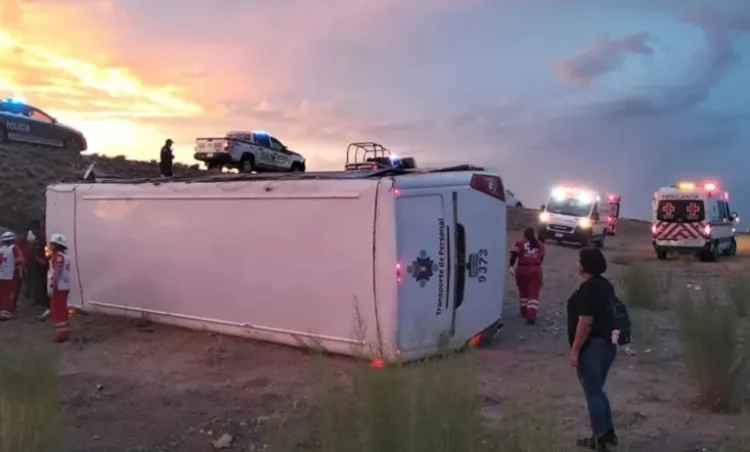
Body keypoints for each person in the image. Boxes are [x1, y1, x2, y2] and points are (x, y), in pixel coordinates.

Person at [567, 247, 618, 451]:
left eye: (579, 260)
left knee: (593, 393)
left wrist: (575, 351)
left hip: (593, 347)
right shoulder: (604, 285)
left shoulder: (589, 289)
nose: (577, 263)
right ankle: (607, 435)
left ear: (585, 265)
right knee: (597, 391)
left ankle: (600, 439)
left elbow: (585, 322)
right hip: (607, 346)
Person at [509, 227, 545, 324]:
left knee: (523, 291)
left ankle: (524, 311)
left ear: (524, 234)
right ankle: (531, 315)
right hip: (535, 269)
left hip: (521, 269)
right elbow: (541, 258)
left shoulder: (518, 243)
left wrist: (511, 267)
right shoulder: (540, 244)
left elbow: (513, 256)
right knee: (533, 293)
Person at [46, 233, 72, 343]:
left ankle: (62, 334)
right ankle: (64, 331)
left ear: (56, 244)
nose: (50, 245)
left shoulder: (58, 256)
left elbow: (57, 270)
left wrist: (53, 283)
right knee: (62, 308)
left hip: (59, 286)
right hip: (64, 286)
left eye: (52, 243)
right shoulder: (64, 256)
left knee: (57, 309)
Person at [0, 232, 25, 319]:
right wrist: (24, 269)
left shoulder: (0, 249)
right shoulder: (14, 248)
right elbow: (20, 260)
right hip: (10, 275)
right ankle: (5, 312)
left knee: (1, 293)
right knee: (9, 294)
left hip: (1, 275)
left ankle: (1, 310)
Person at [26, 220, 49, 310]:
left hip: (39, 261)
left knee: (39, 282)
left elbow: (33, 248)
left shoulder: (37, 236)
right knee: (41, 282)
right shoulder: (43, 235)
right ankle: (42, 300)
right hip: (42, 261)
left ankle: (42, 301)